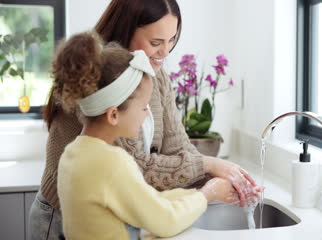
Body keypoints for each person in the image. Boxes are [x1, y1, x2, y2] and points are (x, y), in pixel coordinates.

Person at [29, 0, 260, 239]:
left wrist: (216, 180)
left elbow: (178, 146)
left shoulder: (154, 75)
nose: (166, 51)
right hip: (60, 217)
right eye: (156, 42)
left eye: (172, 39)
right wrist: (207, 177)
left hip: (112, 212)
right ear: (126, 30)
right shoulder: (103, 78)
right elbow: (138, 169)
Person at [53, 31, 238, 239]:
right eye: (143, 108)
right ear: (113, 114)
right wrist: (208, 193)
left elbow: (149, 201)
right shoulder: (113, 163)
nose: (146, 118)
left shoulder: (73, 153)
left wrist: (199, 193)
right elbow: (166, 221)